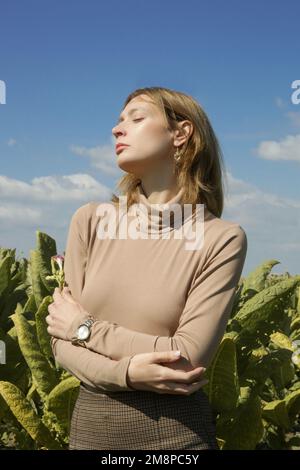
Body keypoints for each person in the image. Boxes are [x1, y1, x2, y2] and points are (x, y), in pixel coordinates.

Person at [46, 86, 247, 450]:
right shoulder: (90, 221)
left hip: (175, 441)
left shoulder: (222, 238)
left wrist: (85, 329)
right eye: (119, 121)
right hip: (87, 435)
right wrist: (128, 373)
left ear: (181, 134)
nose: (116, 129)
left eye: (137, 118)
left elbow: (185, 359)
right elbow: (59, 340)